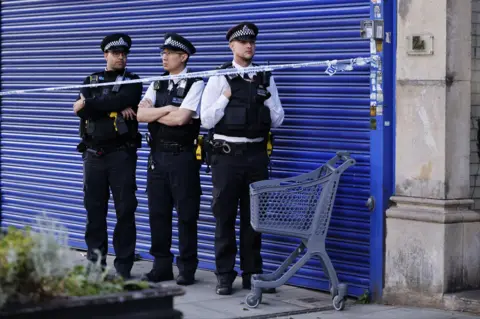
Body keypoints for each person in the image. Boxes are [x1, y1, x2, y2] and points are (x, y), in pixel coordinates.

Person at [200, 22, 285, 295]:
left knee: (254, 219)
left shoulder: (265, 77)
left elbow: (279, 119)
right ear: (232, 46)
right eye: (242, 42)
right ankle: (225, 276)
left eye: (252, 42)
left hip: (256, 156)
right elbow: (206, 120)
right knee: (224, 218)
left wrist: (267, 99)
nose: (248, 46)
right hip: (226, 157)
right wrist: (226, 97)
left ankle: (253, 274)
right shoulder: (219, 77)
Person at [73, 33, 142, 279]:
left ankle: (123, 266)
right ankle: (95, 264)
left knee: (125, 211)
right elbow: (82, 110)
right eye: (116, 53)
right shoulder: (90, 79)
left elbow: (125, 99)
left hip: (121, 155)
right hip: (93, 156)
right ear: (106, 55)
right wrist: (109, 104)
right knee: (94, 211)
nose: (121, 57)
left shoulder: (133, 81)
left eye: (124, 54)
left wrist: (93, 103)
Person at [137, 33, 204, 286]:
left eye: (169, 52)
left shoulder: (196, 83)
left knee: (186, 214)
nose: (163, 56)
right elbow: (140, 115)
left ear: (183, 56)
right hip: (157, 157)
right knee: (158, 213)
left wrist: (157, 113)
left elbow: (182, 119)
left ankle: (187, 268)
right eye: (162, 52)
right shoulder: (157, 83)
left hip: (183, 157)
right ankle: (161, 266)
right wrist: (166, 109)